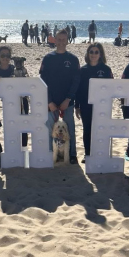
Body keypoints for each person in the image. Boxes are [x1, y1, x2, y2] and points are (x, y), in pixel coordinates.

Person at [40, 29, 80, 164]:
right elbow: (43, 81)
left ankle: (72, 154)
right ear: (54, 40)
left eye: (64, 39)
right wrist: (49, 101)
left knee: (69, 127)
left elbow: (76, 81)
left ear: (67, 41)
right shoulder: (48, 58)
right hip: (51, 101)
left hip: (67, 102)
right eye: (59, 39)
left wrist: (68, 99)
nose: (61, 42)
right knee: (50, 128)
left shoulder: (73, 59)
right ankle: (51, 153)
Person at [75, 43, 113, 163]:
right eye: (91, 52)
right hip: (86, 106)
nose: (93, 54)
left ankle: (100, 154)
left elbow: (111, 88)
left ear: (100, 54)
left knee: (100, 130)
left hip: (102, 106)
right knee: (87, 130)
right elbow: (78, 90)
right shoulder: (83, 70)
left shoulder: (106, 70)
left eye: (96, 52)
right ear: (88, 54)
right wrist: (77, 106)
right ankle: (87, 154)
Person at [0, 46, 29, 147]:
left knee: (24, 125)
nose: (5, 58)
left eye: (8, 55)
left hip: (22, 100)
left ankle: (24, 148)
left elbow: (27, 82)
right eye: (3, 55)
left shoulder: (16, 68)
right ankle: (13, 149)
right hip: (9, 103)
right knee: (11, 127)